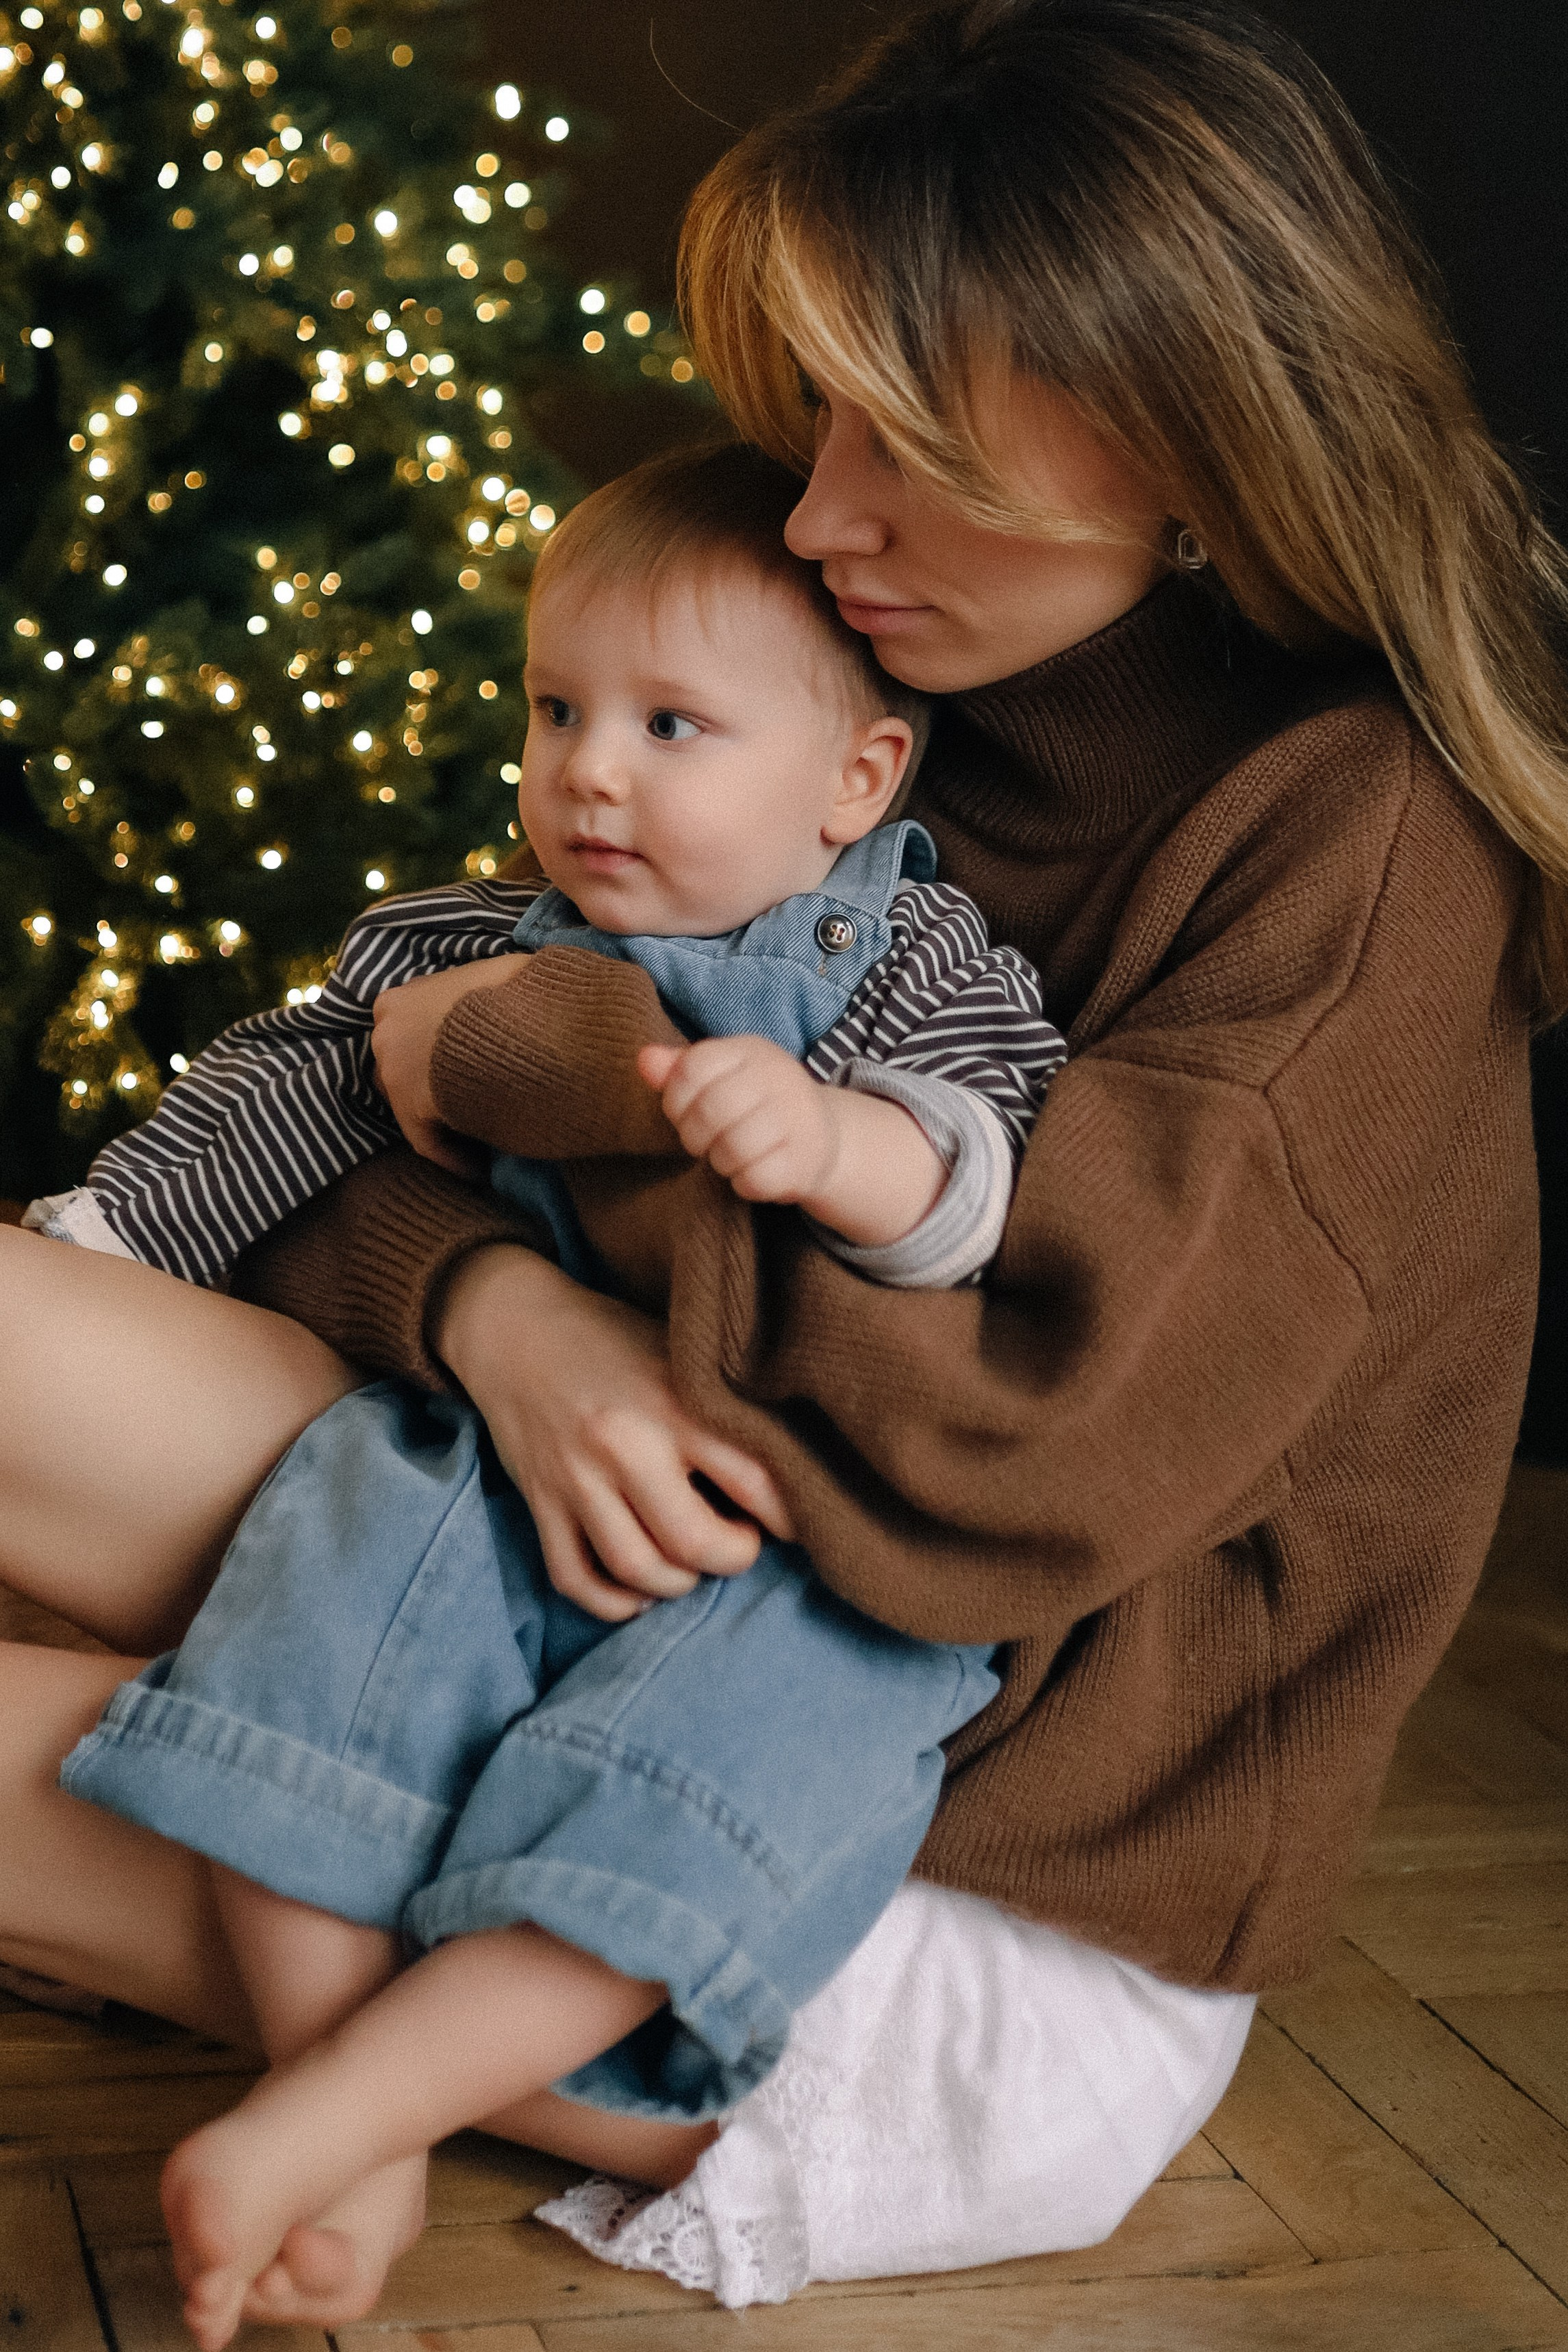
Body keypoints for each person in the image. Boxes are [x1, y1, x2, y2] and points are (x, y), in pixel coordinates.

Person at [0, 0, 1558, 2321]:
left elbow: (1014, 1455)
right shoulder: (848, 688)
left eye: (901, 434)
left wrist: (564, 1134)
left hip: (912, 1856)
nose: (820, 510)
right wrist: (498, 1307)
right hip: (586, 1560)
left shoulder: (1355, 842)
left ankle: (345, 2075)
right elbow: (383, 1074)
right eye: (818, 419)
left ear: (1176, 415)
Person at [49, 442, 1063, 2344]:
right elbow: (284, 1096)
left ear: (856, 779)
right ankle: (330, 2110)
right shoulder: (457, 935)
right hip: (470, 1456)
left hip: (790, 1529)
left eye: (672, 723)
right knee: (312, 1651)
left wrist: (844, 1144)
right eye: (555, 708)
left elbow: (990, 1186)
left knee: (705, 1781)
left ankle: (344, 2107)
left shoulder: (916, 965)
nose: (587, 768)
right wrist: (115, 1237)